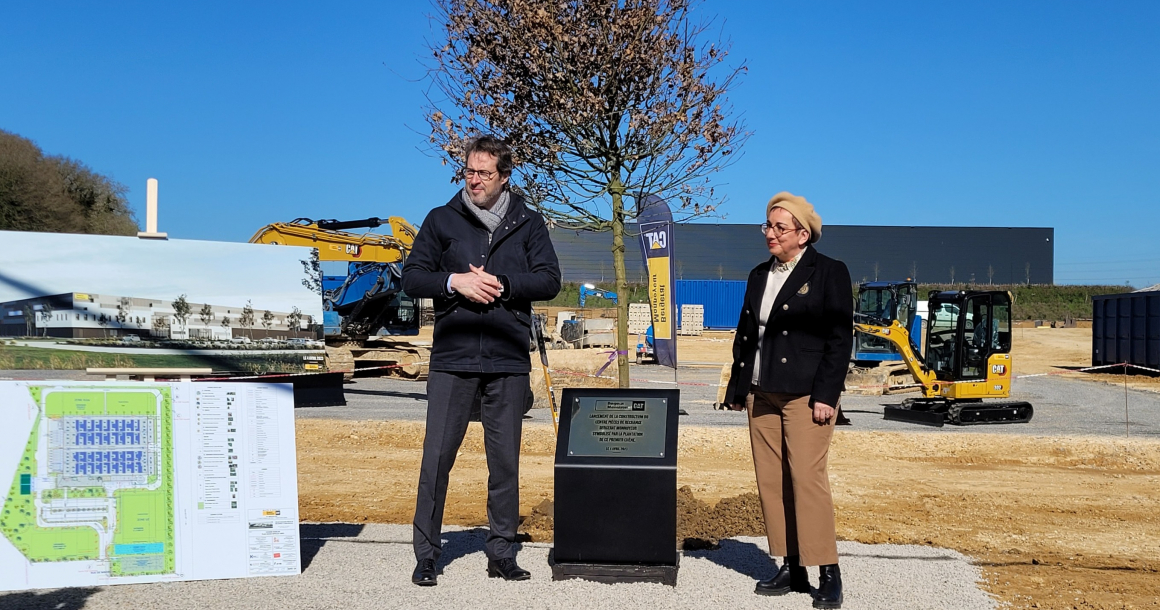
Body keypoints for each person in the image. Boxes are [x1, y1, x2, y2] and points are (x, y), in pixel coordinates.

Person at [402, 135, 561, 586]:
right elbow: (413, 277)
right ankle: (427, 554)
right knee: (436, 458)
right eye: (469, 171)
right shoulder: (440, 220)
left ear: (504, 177)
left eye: (484, 173)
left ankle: (502, 552)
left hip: (508, 360)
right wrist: (454, 282)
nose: (474, 180)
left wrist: (503, 284)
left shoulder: (529, 223)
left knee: (505, 461)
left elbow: (549, 280)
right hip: (453, 358)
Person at [724, 192, 853, 609]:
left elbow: (839, 339)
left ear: (803, 234)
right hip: (762, 392)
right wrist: (738, 389)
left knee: (807, 479)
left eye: (780, 227)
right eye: (768, 226)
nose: (771, 234)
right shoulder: (759, 274)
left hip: (805, 395)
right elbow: (746, 334)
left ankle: (827, 569)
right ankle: (792, 566)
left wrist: (826, 396)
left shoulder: (829, 272)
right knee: (772, 482)